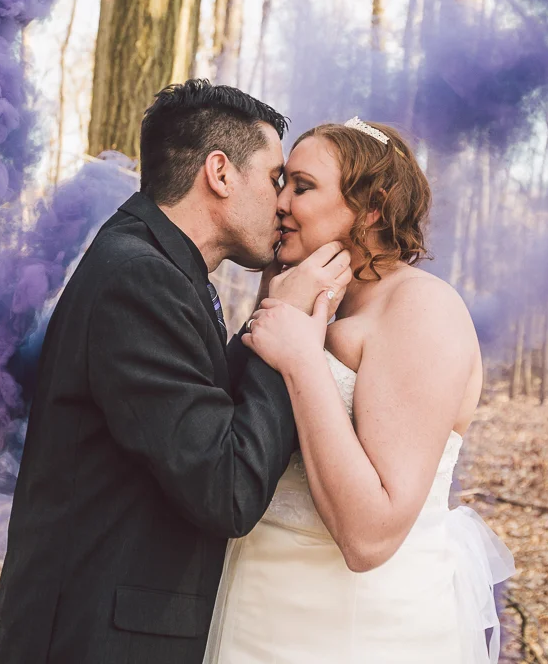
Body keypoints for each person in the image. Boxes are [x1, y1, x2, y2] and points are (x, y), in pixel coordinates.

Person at [0, 80, 353, 664]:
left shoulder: (154, 264)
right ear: (220, 173)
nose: (282, 203)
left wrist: (270, 321)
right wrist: (289, 336)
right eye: (275, 177)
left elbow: (197, 409)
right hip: (95, 642)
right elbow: (227, 490)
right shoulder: (139, 277)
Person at [203, 118, 515, 664]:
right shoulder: (304, 293)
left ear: (373, 207)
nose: (280, 202)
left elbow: (371, 536)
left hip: (355, 631)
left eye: (302, 187)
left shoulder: (422, 309)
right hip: (251, 611)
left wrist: (302, 360)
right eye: (283, 183)